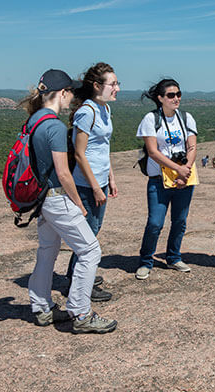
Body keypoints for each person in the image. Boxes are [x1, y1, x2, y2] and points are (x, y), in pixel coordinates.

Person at [21, 69, 117, 333]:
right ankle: (81, 313)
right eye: (70, 92)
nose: (72, 96)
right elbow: (63, 173)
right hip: (56, 198)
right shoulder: (53, 125)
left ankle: (41, 307)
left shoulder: (34, 120)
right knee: (90, 251)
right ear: (62, 93)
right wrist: (79, 203)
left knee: (47, 251)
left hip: (41, 200)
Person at [66, 62, 120, 302]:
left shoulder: (104, 109)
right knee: (88, 235)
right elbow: (80, 153)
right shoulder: (87, 112)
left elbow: (102, 147)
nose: (117, 88)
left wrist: (110, 177)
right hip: (87, 185)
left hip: (100, 180)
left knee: (92, 232)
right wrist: (97, 188)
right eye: (113, 84)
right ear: (98, 86)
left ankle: (78, 276)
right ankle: (77, 284)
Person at [135, 79, 198, 280]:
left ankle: (173, 257)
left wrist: (185, 170)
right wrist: (177, 168)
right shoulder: (151, 119)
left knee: (179, 221)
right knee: (155, 222)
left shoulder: (186, 118)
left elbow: (192, 147)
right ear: (160, 98)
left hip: (183, 177)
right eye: (170, 95)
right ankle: (146, 260)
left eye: (178, 94)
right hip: (159, 179)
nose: (176, 98)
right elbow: (153, 151)